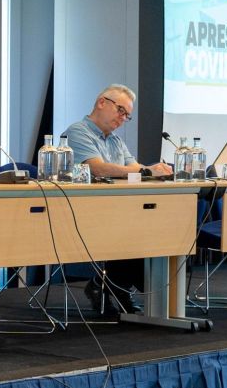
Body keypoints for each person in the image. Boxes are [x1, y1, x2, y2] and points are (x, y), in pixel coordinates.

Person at [62, 85, 169, 313]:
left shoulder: (115, 141)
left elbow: (135, 168)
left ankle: (113, 285)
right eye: (121, 110)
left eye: (127, 115)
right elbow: (98, 168)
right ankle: (116, 286)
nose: (122, 118)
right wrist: (144, 170)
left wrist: (155, 170)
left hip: (118, 212)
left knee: (155, 226)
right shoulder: (77, 132)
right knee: (135, 231)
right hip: (85, 215)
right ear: (102, 102)